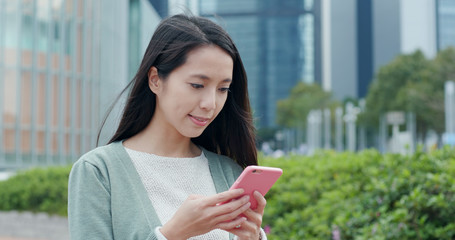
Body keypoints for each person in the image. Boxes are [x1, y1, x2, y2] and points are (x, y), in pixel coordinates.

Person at [68, 14, 268, 240]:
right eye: (197, 85)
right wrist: (173, 234)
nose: (210, 104)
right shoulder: (99, 171)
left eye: (223, 89)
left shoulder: (228, 171)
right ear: (155, 80)